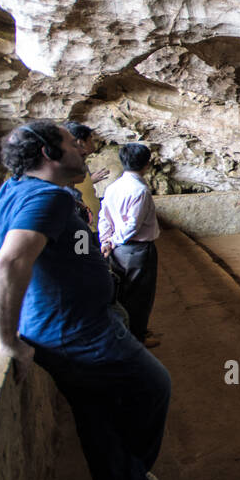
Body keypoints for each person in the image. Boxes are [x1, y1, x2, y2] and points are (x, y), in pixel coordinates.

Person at [0, 120, 193, 480]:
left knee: (96, 414)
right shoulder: (49, 199)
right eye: (73, 145)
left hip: (56, 326)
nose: (83, 150)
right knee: (154, 386)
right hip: (77, 331)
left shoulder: (14, 187)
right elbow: (10, 261)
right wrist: (6, 341)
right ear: (49, 154)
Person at [99, 143, 161, 348]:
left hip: (118, 249)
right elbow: (132, 225)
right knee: (140, 295)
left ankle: (129, 332)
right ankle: (137, 337)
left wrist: (106, 241)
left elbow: (104, 217)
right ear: (146, 164)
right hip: (137, 249)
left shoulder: (113, 187)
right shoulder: (140, 190)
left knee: (123, 292)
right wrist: (115, 240)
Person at [63, 121, 110, 227]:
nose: (93, 143)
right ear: (81, 142)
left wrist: (90, 180)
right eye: (90, 139)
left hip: (91, 223)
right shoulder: (71, 166)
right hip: (84, 226)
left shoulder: (80, 164)